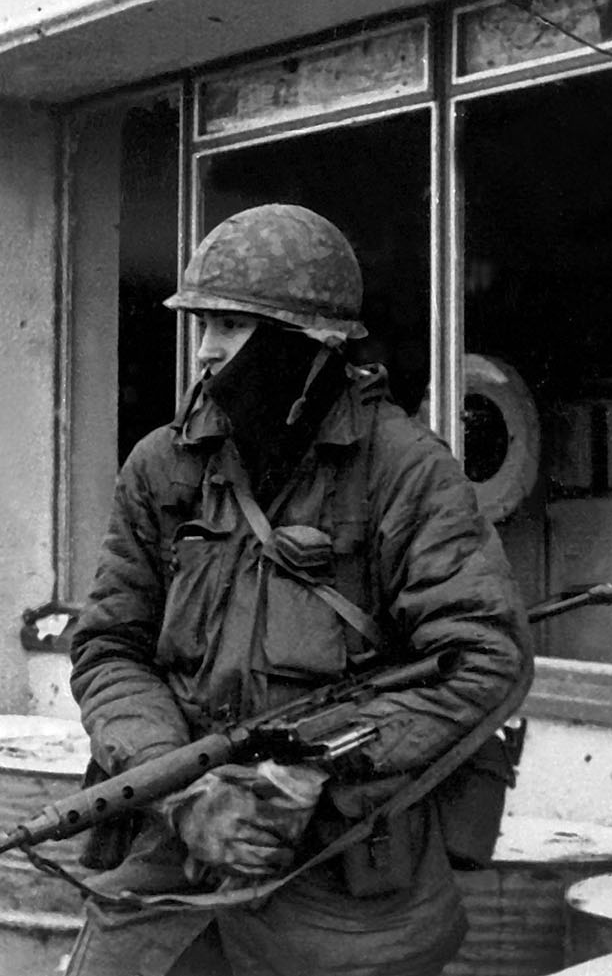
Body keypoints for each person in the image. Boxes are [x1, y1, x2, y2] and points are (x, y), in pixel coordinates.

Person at [67, 203, 532, 976]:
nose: (206, 353)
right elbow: (110, 647)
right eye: (202, 326)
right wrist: (181, 789)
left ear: (310, 343)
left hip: (342, 887)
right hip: (172, 869)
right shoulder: (165, 466)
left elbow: (484, 657)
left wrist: (308, 768)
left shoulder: (406, 472)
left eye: (231, 328)